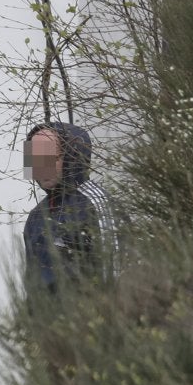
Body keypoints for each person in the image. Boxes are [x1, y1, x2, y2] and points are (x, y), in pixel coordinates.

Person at [22, 122, 120, 293]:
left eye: (51, 157)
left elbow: (116, 269)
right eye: (36, 159)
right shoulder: (35, 217)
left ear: (72, 156)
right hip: (48, 318)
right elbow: (32, 285)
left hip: (92, 316)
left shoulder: (95, 203)